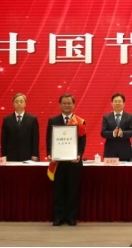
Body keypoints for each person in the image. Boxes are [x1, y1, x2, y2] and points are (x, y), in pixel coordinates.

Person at [46, 94, 86, 226]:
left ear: (73, 105)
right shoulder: (53, 120)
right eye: (64, 103)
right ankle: (58, 217)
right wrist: (50, 153)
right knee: (59, 190)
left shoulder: (80, 121)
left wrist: (79, 154)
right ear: (60, 105)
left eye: (69, 103)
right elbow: (49, 139)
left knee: (72, 190)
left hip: (73, 162)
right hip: (58, 162)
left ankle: (71, 217)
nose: (67, 105)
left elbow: (82, 141)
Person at [0, 93, 39, 162]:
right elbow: (4, 139)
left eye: (21, 101)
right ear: (13, 104)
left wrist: (34, 154)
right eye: (16, 101)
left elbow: (35, 138)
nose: (19, 104)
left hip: (28, 154)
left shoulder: (32, 119)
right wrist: (4, 155)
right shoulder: (7, 119)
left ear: (25, 103)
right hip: (11, 155)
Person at [101, 93, 132, 161]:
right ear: (112, 104)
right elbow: (103, 133)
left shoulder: (129, 117)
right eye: (115, 101)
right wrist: (113, 133)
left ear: (124, 104)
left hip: (125, 151)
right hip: (110, 152)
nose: (117, 103)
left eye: (119, 101)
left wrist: (122, 133)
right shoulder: (106, 117)